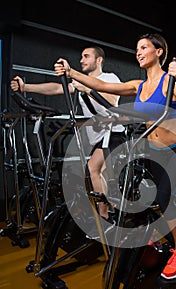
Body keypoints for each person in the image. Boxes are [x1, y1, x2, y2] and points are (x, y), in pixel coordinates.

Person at [54, 33, 176, 280]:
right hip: (152, 151)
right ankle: (151, 237)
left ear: (159, 52)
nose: (139, 52)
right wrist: (71, 72)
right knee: (133, 191)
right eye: (137, 49)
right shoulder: (139, 86)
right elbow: (102, 86)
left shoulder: (170, 82)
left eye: (144, 47)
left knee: (165, 196)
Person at [10, 45, 125, 221]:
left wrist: (88, 89)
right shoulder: (81, 81)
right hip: (98, 138)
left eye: (86, 56)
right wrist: (26, 87)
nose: (81, 60)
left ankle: (104, 217)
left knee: (93, 169)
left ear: (99, 60)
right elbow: (56, 89)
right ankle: (112, 211)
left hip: (114, 133)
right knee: (103, 176)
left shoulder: (109, 78)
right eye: (81, 57)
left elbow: (112, 100)